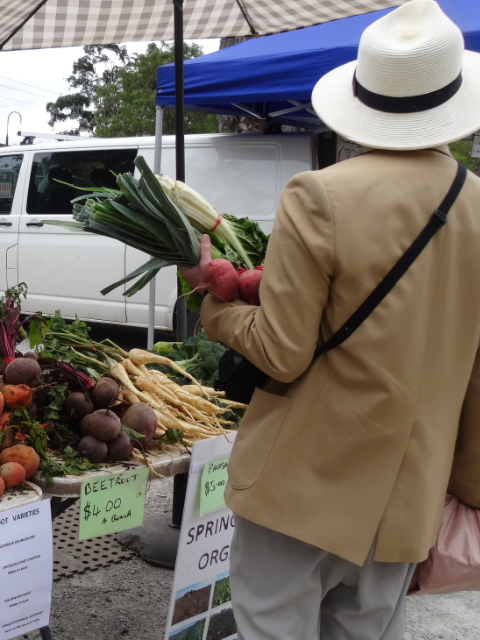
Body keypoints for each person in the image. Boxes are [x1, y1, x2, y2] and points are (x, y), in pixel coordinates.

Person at [180, 1, 480, 638]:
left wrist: (215, 310)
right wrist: (467, 490)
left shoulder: (321, 194)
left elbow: (283, 350)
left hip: (304, 485)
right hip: (407, 501)